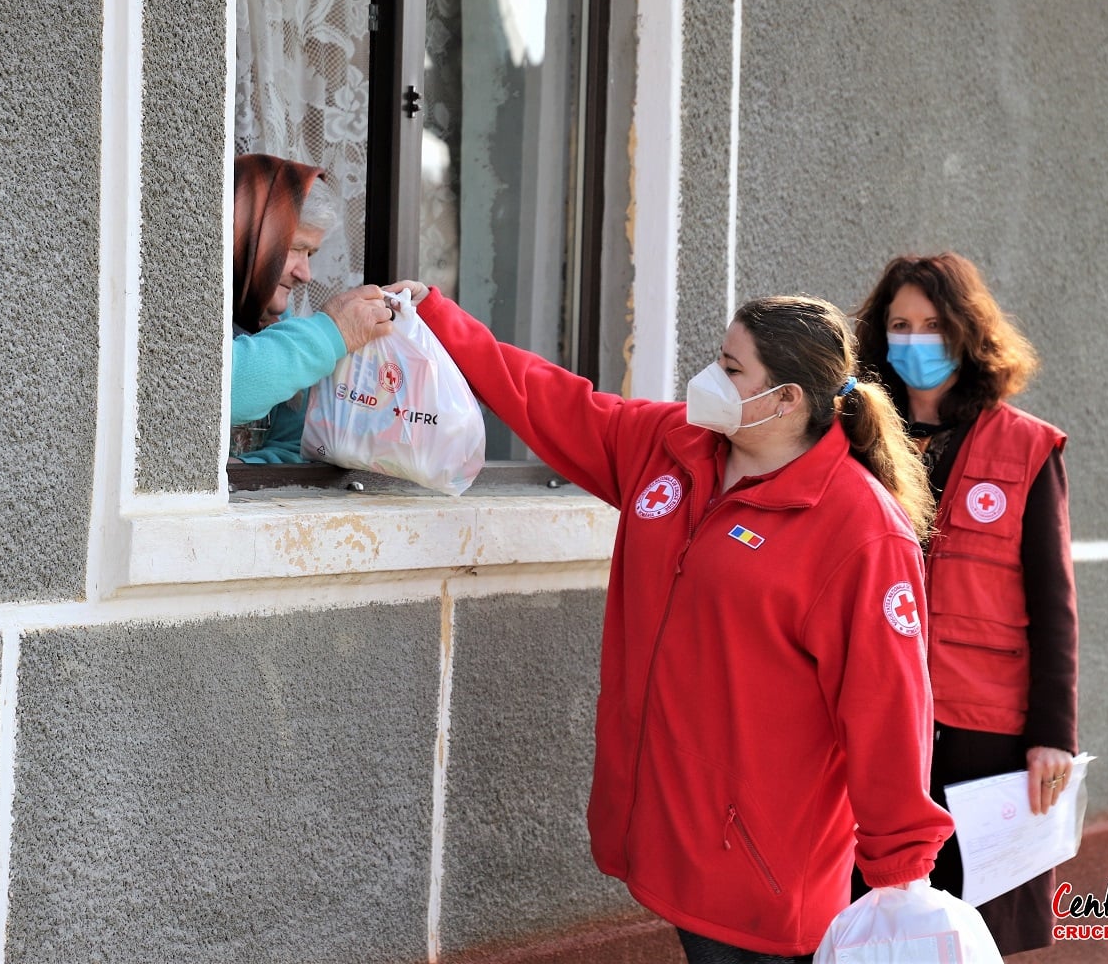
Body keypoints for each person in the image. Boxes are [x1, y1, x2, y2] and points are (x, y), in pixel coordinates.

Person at [396, 280, 953, 962]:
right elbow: (554, 403)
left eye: (731, 367)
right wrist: (437, 317)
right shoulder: (674, 446)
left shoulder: (860, 532)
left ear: (786, 401)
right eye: (718, 357)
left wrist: (901, 876)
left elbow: (888, 709)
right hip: (674, 843)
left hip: (765, 881)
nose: (710, 377)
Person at [850, 252, 1079, 955]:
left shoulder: (1027, 447)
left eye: (933, 325)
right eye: (899, 325)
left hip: (987, 731)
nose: (915, 341)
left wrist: (1054, 734)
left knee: (973, 932)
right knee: (871, 922)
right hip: (874, 716)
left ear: (967, 332)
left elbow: (1054, 603)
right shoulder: (852, 440)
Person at [230, 153, 394, 463]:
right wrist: (334, 331)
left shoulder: (274, 325)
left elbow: (297, 447)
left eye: (311, 254)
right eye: (295, 248)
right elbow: (218, 389)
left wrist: (240, 470)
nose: (305, 273)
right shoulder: (189, 317)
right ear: (246, 236)